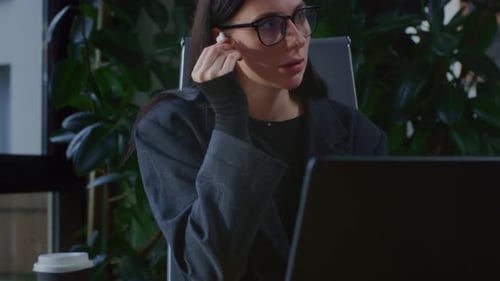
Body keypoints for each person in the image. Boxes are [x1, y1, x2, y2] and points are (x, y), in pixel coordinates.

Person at [133, 0, 388, 280]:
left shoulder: (354, 132)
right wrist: (230, 120)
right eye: (269, 25)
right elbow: (209, 270)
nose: (297, 38)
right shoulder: (171, 127)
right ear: (223, 39)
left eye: (300, 16)